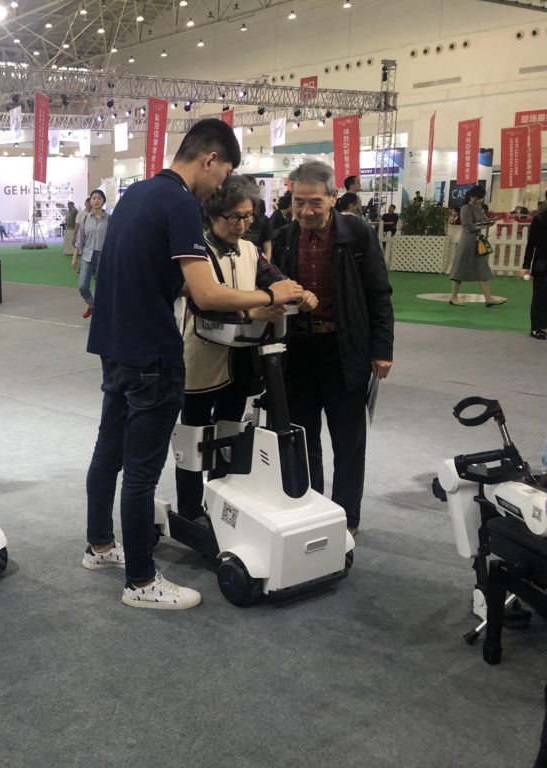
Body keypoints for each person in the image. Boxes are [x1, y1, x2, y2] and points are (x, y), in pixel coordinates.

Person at [83, 118, 303, 610]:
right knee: (141, 472)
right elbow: (206, 294)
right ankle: (141, 582)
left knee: (109, 452)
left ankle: (100, 546)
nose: (220, 185)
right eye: (222, 173)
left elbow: (152, 276)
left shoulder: (135, 195)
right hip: (152, 354)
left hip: (114, 346)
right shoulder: (180, 203)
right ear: (210, 159)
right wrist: (271, 294)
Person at [175, 174, 316, 521]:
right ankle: (190, 511)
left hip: (239, 364)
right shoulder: (195, 253)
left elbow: (275, 279)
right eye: (234, 217)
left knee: (231, 436)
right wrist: (254, 309)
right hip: (199, 362)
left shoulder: (251, 251)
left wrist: (299, 293)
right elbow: (205, 305)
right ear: (213, 215)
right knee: (194, 440)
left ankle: (220, 505)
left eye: (248, 216)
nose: (242, 225)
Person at [271, 160, 394, 536]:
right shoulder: (284, 237)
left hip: (344, 349)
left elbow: (379, 293)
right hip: (298, 351)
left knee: (349, 442)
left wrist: (382, 348)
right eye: (299, 202)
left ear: (333, 197)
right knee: (302, 438)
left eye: (315, 202)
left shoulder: (356, 233)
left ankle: (346, 520)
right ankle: (311, 513)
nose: (306, 211)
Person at [449, 186, 504, 307]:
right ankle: (453, 297)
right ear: (472, 196)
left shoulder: (478, 208)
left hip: (478, 242)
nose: (481, 200)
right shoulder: (465, 208)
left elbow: (483, 221)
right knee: (460, 270)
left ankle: (488, 299)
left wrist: (490, 221)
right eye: (480, 197)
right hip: (467, 243)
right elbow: (468, 227)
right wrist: (485, 225)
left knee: (482, 270)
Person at [72, 189, 108, 319]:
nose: (96, 200)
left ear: (103, 201)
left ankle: (100, 313)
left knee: (101, 287)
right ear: (90, 201)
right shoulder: (85, 218)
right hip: (87, 256)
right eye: (94, 198)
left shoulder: (109, 219)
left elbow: (113, 240)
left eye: (99, 198)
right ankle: (91, 304)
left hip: (103, 257)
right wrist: (74, 257)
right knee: (82, 286)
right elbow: (80, 240)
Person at [521, 205, 547, 339]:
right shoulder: (540, 219)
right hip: (542, 261)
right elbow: (531, 243)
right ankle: (536, 328)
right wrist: (526, 265)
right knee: (540, 294)